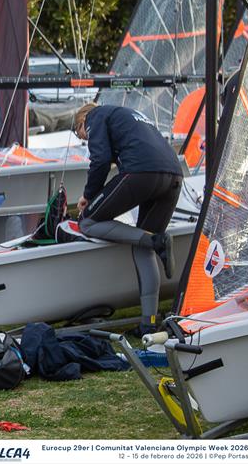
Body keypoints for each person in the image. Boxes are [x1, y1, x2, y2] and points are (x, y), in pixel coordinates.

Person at [73, 103, 183, 335]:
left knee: (87, 221)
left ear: (82, 121)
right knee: (142, 244)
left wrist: (88, 195)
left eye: (79, 133)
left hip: (141, 171)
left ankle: (156, 241)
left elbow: (100, 160)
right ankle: (148, 324)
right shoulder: (130, 115)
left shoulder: (95, 116)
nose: (84, 139)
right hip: (174, 174)